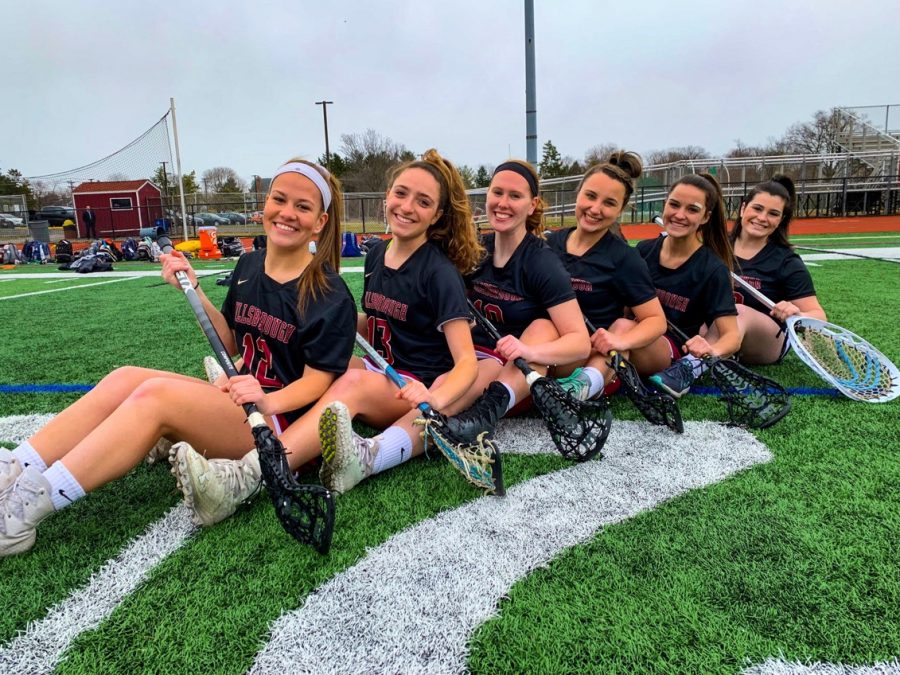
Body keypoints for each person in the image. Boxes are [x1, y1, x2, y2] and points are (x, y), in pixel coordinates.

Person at [0, 159, 356, 555]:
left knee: (155, 397)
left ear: (320, 221)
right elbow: (234, 344)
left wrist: (267, 399)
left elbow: (318, 382)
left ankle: (22, 513)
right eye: (279, 199)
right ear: (265, 203)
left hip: (275, 426)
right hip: (240, 402)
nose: (287, 213)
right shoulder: (249, 265)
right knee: (125, 377)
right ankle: (16, 466)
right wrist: (195, 289)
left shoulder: (330, 293)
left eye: (303, 207)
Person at [173, 148, 484, 508]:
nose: (407, 206)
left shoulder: (439, 273)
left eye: (423, 201)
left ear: (437, 215)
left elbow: (467, 363)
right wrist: (325, 320)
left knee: (347, 381)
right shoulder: (378, 255)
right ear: (387, 196)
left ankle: (256, 471)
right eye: (401, 193)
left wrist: (436, 398)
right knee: (327, 363)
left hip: (412, 384)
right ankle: (245, 381)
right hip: (379, 367)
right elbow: (381, 322)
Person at [545, 151, 666, 400]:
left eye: (609, 203)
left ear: (621, 209)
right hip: (555, 346)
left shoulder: (624, 258)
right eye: (590, 196)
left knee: (621, 329)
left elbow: (655, 320)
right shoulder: (548, 244)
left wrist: (619, 341)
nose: (595, 209)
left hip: (593, 352)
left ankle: (582, 388)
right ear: (578, 194)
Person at [635, 173, 741, 398]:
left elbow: (732, 335)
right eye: (674, 204)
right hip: (633, 334)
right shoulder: (643, 251)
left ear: (705, 217)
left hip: (670, 351)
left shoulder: (712, 268)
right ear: (665, 204)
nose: (679, 215)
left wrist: (711, 350)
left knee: (621, 331)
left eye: (692, 209)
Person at [730, 175, 826, 363]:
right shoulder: (715, 248)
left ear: (781, 219)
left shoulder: (787, 262)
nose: (762, 218)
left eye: (773, 214)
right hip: (717, 330)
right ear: (743, 208)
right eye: (757, 208)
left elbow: (819, 317)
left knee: (737, 312)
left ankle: (691, 367)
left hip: (767, 342)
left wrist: (797, 313)